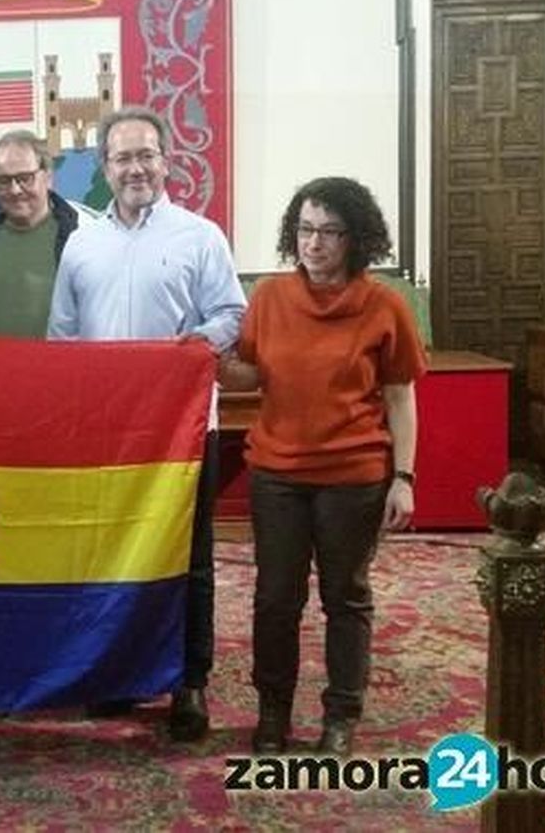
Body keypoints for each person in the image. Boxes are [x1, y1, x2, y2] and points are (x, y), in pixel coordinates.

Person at [47, 106, 245, 742]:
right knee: (112, 555)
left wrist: (195, 347)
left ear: (166, 161)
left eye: (146, 155)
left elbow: (231, 315)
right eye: (122, 157)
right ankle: (121, 673)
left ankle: (189, 680)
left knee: (189, 559)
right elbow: (63, 337)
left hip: (183, 432)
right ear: (103, 167)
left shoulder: (200, 236)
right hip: (108, 436)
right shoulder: (81, 241)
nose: (135, 167)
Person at [216, 176, 426, 757]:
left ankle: (341, 717)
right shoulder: (270, 299)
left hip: (353, 477)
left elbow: (400, 395)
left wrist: (403, 479)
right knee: (275, 598)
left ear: (355, 239)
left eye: (330, 232)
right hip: (277, 474)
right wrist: (210, 366)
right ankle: (273, 712)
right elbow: (254, 374)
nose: (315, 243)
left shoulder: (385, 305)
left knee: (346, 597)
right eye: (306, 229)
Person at [0, 130, 91, 338]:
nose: (15, 190)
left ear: (48, 177)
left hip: (61, 367)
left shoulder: (80, 235)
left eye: (25, 178)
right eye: (4, 180)